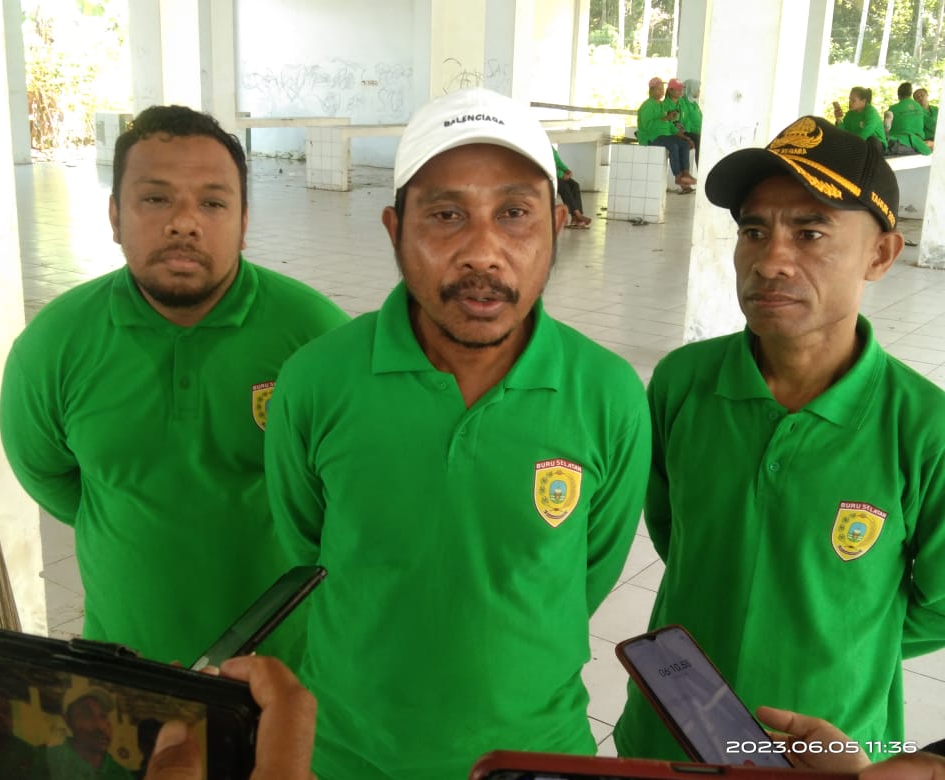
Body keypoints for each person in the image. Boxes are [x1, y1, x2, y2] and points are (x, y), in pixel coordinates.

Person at [264, 86, 651, 780]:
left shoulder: (608, 394)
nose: (483, 252)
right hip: (348, 756)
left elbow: (583, 577)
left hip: (535, 757)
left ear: (557, 225)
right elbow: (308, 548)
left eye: (514, 214)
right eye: (446, 215)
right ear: (395, 230)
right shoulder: (316, 381)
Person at [613, 115, 945, 762]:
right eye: (754, 231)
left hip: (830, 750)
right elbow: (674, 529)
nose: (770, 261)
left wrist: (839, 640)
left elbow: (938, 606)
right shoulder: (683, 383)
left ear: (880, 255)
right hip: (671, 726)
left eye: (810, 233)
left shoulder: (923, 427)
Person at [0, 105, 349, 667]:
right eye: (156, 198)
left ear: (244, 222)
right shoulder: (54, 345)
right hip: (121, 670)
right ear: (115, 216)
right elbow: (50, 478)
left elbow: (349, 493)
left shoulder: (316, 336)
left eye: (212, 203)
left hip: (283, 674)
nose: (184, 223)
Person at [0, 656, 316, 780]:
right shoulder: (46, 760)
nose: (101, 724)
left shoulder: (121, 770)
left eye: (104, 716)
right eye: (89, 714)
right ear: (69, 722)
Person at [42, 688, 131, 779]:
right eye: (87, 715)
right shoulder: (48, 759)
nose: (101, 727)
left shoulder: (123, 775)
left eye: (103, 716)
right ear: (68, 720)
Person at [637, 76, 696, 191]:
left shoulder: (662, 105)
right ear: (651, 90)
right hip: (651, 137)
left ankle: (685, 174)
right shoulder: (647, 105)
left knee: (684, 144)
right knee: (673, 145)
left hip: (665, 136)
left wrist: (684, 137)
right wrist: (665, 118)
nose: (662, 92)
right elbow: (647, 126)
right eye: (659, 89)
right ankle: (678, 176)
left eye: (662, 89)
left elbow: (670, 125)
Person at [834, 86, 887, 151]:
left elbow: (864, 135)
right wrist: (838, 119)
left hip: (874, 146)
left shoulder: (871, 113)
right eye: (849, 99)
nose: (850, 102)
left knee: (872, 140)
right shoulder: (850, 114)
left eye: (853, 100)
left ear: (863, 101)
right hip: (858, 144)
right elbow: (844, 133)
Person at [886, 82, 933, 154]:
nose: (920, 98)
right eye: (917, 97)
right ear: (910, 94)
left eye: (922, 95)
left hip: (899, 142)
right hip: (918, 143)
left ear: (898, 95)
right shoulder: (919, 108)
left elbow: (886, 128)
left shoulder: (892, 109)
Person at [552, 146, 591, 228]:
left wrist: (566, 170)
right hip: (547, 176)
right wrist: (561, 174)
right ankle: (578, 215)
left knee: (575, 185)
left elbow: (557, 161)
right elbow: (544, 165)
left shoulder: (549, 146)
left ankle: (575, 219)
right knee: (564, 187)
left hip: (557, 175)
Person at [680, 79, 703, 160]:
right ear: (691, 89)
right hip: (688, 132)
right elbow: (685, 121)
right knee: (698, 141)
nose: (699, 91)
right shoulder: (682, 102)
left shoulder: (694, 104)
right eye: (697, 89)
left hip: (697, 132)